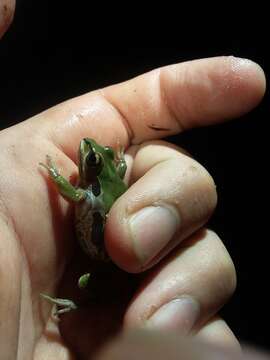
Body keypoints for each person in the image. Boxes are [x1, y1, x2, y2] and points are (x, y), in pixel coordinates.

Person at [0, 3, 267, 359]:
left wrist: (53, 173)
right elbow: (98, 182)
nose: (84, 154)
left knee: (89, 282)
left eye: (92, 159)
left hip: (98, 262)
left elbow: (71, 189)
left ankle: (82, 302)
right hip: (90, 256)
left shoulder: (86, 190)